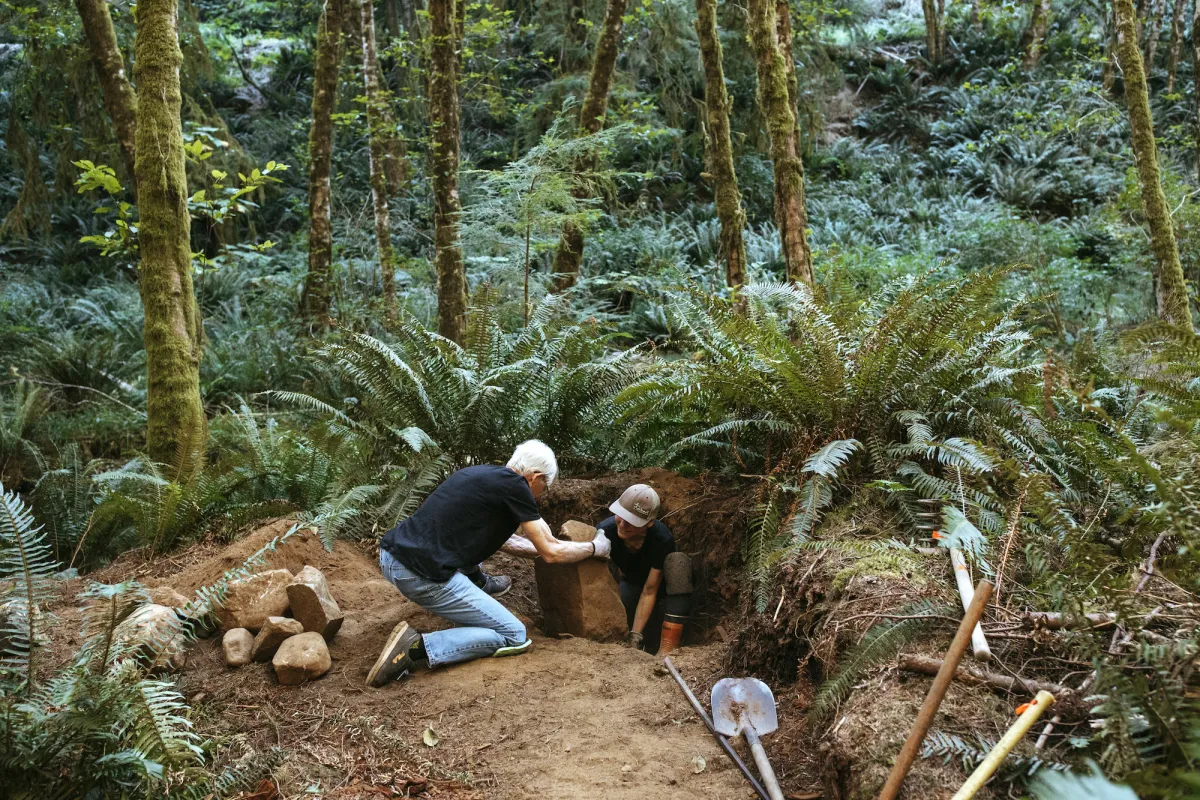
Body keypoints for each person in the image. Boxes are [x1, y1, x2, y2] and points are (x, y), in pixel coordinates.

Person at [367, 440, 611, 688]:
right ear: (535, 477)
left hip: (392, 556)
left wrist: (556, 547)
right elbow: (550, 552)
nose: (542, 494)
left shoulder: (481, 475)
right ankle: (415, 646)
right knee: (514, 635)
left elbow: (512, 542)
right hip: (421, 574)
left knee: (466, 537)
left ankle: (477, 581)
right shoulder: (517, 487)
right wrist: (594, 548)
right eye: (545, 487)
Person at [595, 484, 693, 655]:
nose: (623, 525)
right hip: (632, 583)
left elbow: (650, 590)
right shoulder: (605, 531)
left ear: (649, 523)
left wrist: (636, 634)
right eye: (621, 516)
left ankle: (669, 646)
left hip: (665, 592)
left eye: (632, 521)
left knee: (678, 563)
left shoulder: (661, 539)